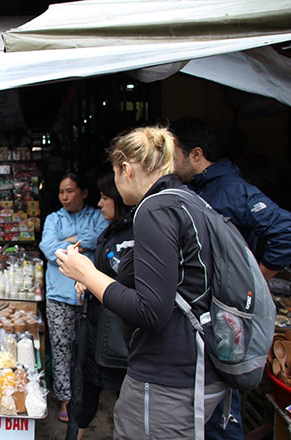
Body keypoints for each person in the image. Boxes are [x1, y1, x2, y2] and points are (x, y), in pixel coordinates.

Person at [55, 125, 228, 439]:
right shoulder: (187, 201)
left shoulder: (154, 209)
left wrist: (87, 274)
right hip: (193, 367)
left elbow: (150, 310)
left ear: (125, 168)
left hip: (166, 379)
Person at [171, 116, 291, 439]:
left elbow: (284, 229)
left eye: (173, 152)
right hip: (201, 317)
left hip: (228, 320)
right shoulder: (189, 189)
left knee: (223, 412)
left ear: (195, 154)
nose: (169, 161)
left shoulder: (232, 189)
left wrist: (258, 279)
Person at [38, 171, 108, 424]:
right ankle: (66, 399)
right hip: (59, 295)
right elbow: (48, 248)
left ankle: (87, 397)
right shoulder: (53, 219)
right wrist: (80, 246)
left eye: (70, 191)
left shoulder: (97, 215)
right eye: (61, 192)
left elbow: (101, 239)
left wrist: (68, 242)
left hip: (91, 293)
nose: (64, 197)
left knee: (88, 349)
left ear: (84, 193)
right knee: (60, 348)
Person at [75, 170, 131, 439]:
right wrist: (85, 282)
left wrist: (89, 277)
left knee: (127, 403)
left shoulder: (134, 235)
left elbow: (128, 286)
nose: (99, 204)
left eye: (105, 197)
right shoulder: (110, 232)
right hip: (97, 328)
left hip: (121, 336)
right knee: (85, 393)